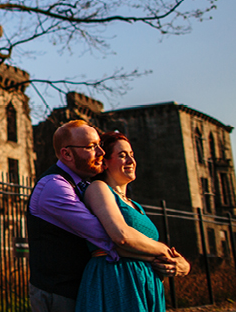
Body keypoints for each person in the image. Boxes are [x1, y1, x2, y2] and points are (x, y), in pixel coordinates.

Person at [28, 120, 177, 312]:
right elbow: (110, 238)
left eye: (99, 145)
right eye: (91, 147)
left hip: (81, 288)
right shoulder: (54, 186)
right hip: (59, 294)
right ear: (66, 154)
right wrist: (166, 253)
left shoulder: (83, 186)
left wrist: (175, 261)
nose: (101, 152)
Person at [75, 131, 190, 312]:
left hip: (146, 282)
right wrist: (167, 253)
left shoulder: (136, 205)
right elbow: (121, 237)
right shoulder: (98, 188)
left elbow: (140, 244)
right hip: (119, 280)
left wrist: (182, 265)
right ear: (104, 162)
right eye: (122, 155)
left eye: (131, 155)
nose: (131, 161)